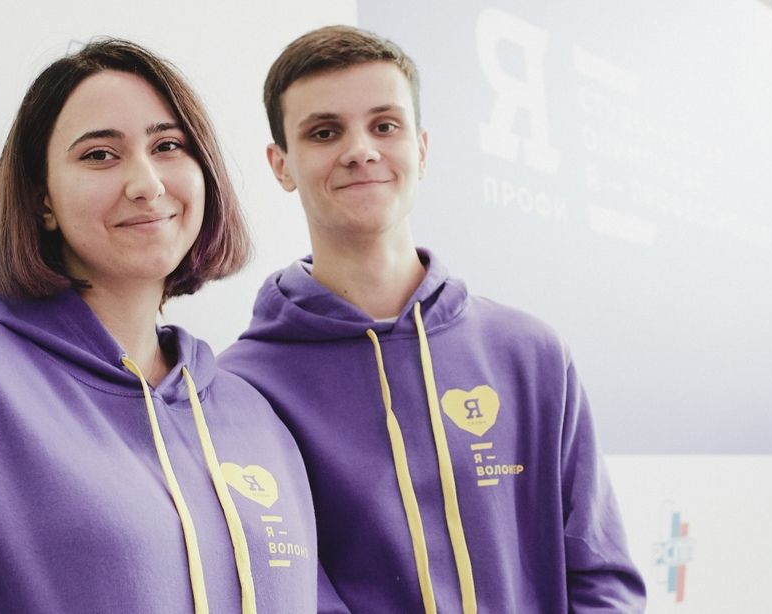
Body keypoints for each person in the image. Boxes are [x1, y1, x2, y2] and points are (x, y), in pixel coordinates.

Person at [0, 39, 318, 613]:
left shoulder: (253, 415)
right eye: (100, 154)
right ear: (42, 199)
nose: (146, 183)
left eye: (168, 145)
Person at [219, 25, 646, 613]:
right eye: (324, 132)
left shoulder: (530, 352)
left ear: (421, 148)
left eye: (384, 126)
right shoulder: (240, 390)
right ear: (281, 164)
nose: (361, 150)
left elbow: (601, 577)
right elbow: (289, 595)